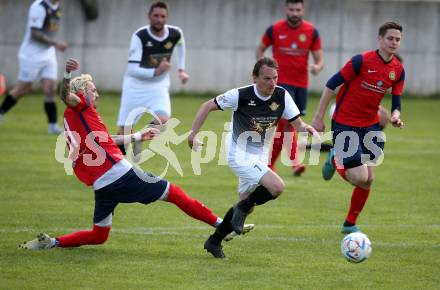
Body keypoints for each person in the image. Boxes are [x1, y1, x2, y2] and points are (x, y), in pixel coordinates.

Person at [19, 58, 224, 251]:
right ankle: (221, 224)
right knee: (174, 193)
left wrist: (138, 135)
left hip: (103, 184)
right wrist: (66, 73)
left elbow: (105, 140)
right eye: (94, 90)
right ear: (82, 93)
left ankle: (52, 243)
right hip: (119, 174)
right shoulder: (81, 104)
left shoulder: (75, 118)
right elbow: (64, 95)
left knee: (99, 235)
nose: (97, 95)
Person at [188, 57, 319, 258]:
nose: (272, 83)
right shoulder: (240, 95)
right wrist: (192, 134)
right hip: (237, 153)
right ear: (255, 78)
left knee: (247, 204)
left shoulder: (282, 95)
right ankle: (241, 210)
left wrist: (306, 127)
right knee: (276, 187)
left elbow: (297, 123)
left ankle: (214, 241)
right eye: (267, 78)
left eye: (275, 78)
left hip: (259, 153)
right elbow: (207, 106)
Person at [311, 21, 405, 234]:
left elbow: (396, 101)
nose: (394, 42)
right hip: (345, 122)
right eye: (390, 38)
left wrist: (396, 116)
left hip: (370, 126)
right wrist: (318, 117)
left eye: (397, 39)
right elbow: (330, 85)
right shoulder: (361, 61)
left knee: (369, 179)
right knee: (359, 177)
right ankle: (336, 158)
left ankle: (349, 224)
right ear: (380, 39)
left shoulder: (397, 70)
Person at [256, 0, 324, 176]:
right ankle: (294, 163)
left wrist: (317, 66)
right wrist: (262, 70)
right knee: (288, 123)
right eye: (292, 9)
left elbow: (319, 58)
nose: (295, 13)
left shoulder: (311, 31)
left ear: (303, 10)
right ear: (286, 9)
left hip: (301, 84)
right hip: (279, 84)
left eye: (298, 10)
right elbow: (260, 49)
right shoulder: (275, 29)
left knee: (288, 125)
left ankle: (269, 163)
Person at [116, 1, 189, 155]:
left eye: (162, 16)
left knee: (163, 119)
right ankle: (117, 165)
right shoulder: (140, 36)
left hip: (158, 86)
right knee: (124, 130)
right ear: (149, 16)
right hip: (135, 86)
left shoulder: (175, 33)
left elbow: (181, 45)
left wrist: (181, 69)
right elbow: (132, 69)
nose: (159, 19)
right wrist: (157, 71)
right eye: (155, 15)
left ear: (167, 18)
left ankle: (140, 138)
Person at [0, 0, 67, 134]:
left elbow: (51, 28)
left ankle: (52, 126)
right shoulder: (39, 6)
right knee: (23, 89)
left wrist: (52, 45)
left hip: (48, 54)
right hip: (31, 55)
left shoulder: (57, 6)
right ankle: (1, 111)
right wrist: (55, 43)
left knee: (50, 88)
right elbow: (34, 33)